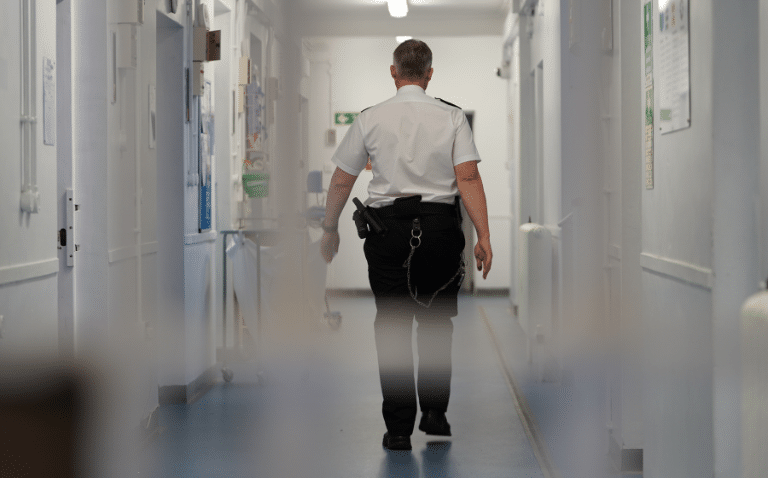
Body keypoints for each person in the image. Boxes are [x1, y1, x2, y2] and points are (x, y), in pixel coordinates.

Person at [320, 39, 492, 452]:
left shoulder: (369, 118)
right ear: (430, 73)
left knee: (393, 327)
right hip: (439, 231)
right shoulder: (452, 117)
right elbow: (467, 178)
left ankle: (398, 430)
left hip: (387, 232)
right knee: (436, 324)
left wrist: (330, 227)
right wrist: (484, 235)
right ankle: (434, 414)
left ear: (393, 72)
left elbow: (344, 179)